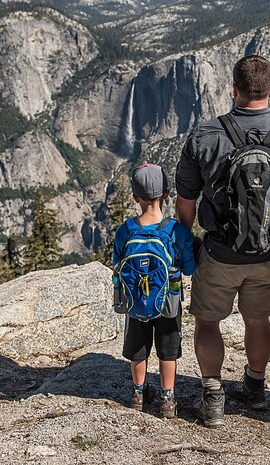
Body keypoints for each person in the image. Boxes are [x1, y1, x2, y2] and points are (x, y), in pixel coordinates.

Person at [175, 55, 270, 428]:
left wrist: (186, 241)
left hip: (219, 252)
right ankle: (254, 386)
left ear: (234, 90)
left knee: (208, 321)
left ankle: (212, 396)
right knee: (258, 320)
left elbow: (186, 199)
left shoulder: (205, 135)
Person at [112, 163, 195, 419]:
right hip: (168, 302)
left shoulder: (126, 230)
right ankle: (167, 399)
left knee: (138, 349)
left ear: (135, 198)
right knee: (168, 351)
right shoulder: (175, 230)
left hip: (136, 302)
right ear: (167, 194)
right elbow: (189, 267)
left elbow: (117, 265)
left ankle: (138, 393)